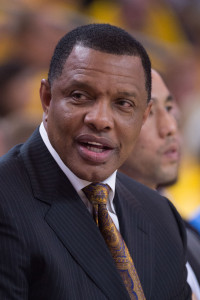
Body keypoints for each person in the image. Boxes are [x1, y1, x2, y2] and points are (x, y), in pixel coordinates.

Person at [0, 23, 191, 299]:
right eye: (80, 96)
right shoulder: (6, 202)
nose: (100, 119)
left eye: (123, 103)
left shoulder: (160, 214)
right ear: (47, 97)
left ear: (144, 114)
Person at [120, 68, 200, 299]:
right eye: (150, 113)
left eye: (169, 108)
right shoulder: (94, 239)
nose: (170, 128)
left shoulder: (183, 229)